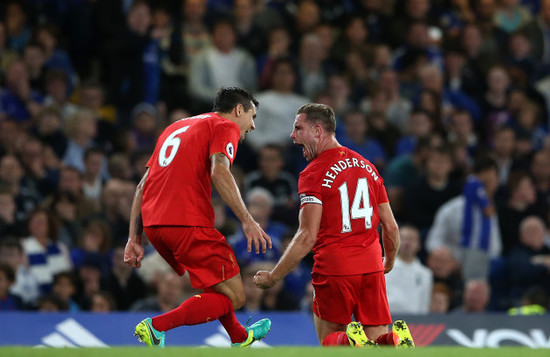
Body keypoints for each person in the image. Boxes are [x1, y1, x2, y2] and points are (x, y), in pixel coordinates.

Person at [253, 103, 414, 348]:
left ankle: (348, 339)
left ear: (318, 131)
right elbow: (390, 227)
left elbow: (307, 235)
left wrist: (275, 276)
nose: (292, 135)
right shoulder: (368, 167)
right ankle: (391, 338)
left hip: (336, 267)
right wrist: (388, 262)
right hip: (371, 266)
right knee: (374, 344)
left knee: (330, 341)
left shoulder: (313, 173)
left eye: (298, 128)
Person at [124, 87, 272, 348]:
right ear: (238, 110)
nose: (253, 126)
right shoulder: (225, 126)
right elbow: (220, 171)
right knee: (236, 297)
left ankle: (240, 337)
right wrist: (248, 220)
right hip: (187, 222)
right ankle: (156, 327)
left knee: (216, 287)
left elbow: (141, 186)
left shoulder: (175, 127)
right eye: (253, 116)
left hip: (155, 225)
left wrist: (134, 237)